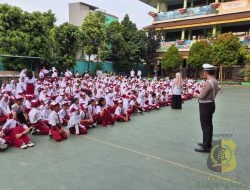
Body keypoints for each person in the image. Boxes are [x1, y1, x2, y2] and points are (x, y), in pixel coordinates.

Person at [193, 64, 219, 153]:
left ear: (206, 72)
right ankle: (206, 142)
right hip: (210, 103)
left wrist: (195, 94)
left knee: (205, 126)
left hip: (205, 105)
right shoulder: (214, 81)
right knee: (208, 125)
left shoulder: (209, 82)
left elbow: (202, 96)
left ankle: (206, 146)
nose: (204, 73)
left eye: (204, 71)